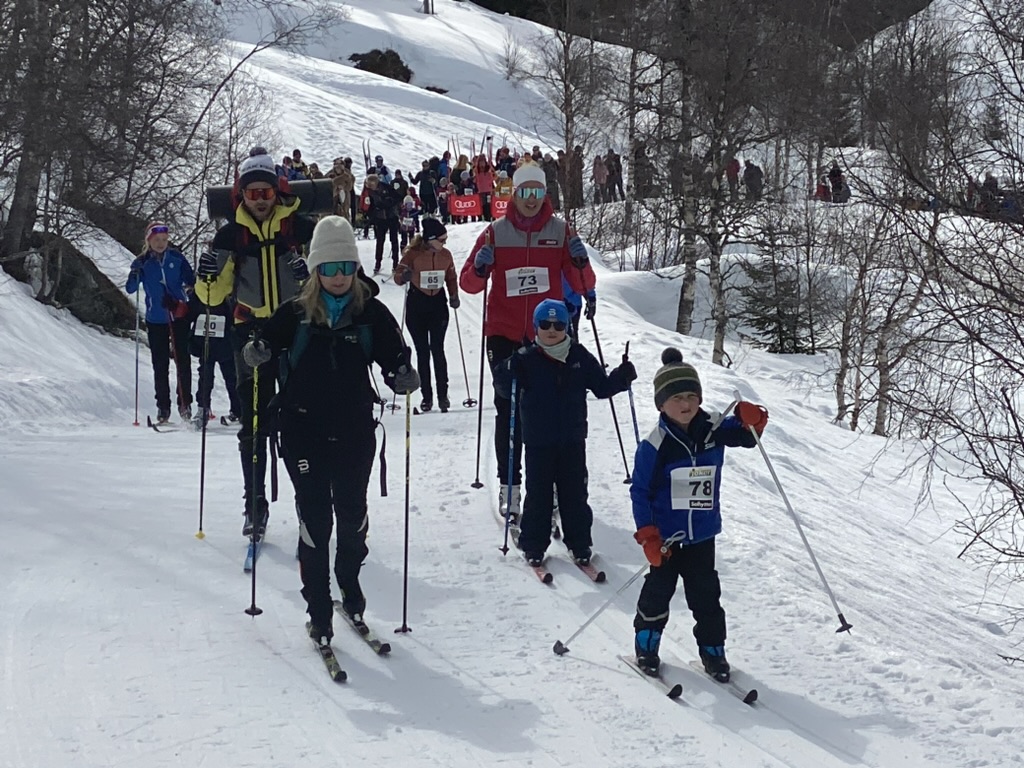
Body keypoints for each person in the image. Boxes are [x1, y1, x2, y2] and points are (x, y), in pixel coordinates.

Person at [241, 216, 419, 643]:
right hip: (303, 429)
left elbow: (396, 357)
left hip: (355, 428)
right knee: (316, 520)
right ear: (316, 269)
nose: (339, 277)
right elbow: (263, 344)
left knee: (353, 517)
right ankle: (319, 611)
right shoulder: (295, 313)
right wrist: (257, 351)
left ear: (355, 269)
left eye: (346, 268)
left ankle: (349, 588)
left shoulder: (371, 312)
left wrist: (402, 374)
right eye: (330, 268)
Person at [459, 163, 597, 519]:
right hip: (504, 334)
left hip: (548, 334)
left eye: (538, 192)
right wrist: (479, 267)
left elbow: (583, 284)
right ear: (515, 194)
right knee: (510, 410)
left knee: (551, 413)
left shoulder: (561, 231)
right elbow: (468, 284)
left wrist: (582, 262)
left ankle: (550, 489)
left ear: (544, 194)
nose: (532, 200)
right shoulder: (495, 233)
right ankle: (510, 487)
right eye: (526, 192)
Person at [195, 149, 315, 537]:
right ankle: (254, 503)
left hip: (297, 330)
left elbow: (330, 283)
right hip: (250, 332)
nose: (260, 200)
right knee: (254, 423)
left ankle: (308, 502)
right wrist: (207, 277)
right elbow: (213, 297)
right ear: (240, 196)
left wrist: (307, 275)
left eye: (266, 192)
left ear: (278, 191)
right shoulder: (230, 235)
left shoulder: (301, 228)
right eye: (252, 194)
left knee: (303, 421)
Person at [630, 348, 768, 682]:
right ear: (661, 404)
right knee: (658, 590)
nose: (686, 404)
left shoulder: (712, 428)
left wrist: (756, 418)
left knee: (706, 595)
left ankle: (713, 651)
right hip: (667, 537)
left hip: (703, 534)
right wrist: (648, 535)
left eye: (692, 396)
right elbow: (640, 492)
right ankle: (646, 644)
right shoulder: (656, 443)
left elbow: (746, 434)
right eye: (677, 397)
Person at [495, 299, 635, 566]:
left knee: (575, 493)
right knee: (539, 493)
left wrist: (622, 376)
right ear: (536, 327)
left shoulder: (579, 356)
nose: (551, 330)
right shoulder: (525, 358)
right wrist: (505, 371)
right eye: (545, 324)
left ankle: (580, 543)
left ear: (567, 326)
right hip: (538, 440)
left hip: (572, 438)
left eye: (558, 324)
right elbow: (503, 389)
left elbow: (602, 387)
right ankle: (534, 544)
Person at [126, 221, 195, 423]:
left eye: (164, 240)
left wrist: (183, 298)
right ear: (149, 241)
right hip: (156, 318)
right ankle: (163, 408)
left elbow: (191, 281)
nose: (161, 243)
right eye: (157, 240)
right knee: (160, 364)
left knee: (182, 361)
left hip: (178, 315)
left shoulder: (176, 258)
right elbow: (130, 288)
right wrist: (135, 272)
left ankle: (185, 404)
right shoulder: (143, 262)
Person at [394, 218, 459, 413]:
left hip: (438, 305)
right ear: (430, 239)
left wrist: (454, 295)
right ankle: (426, 397)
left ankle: (443, 396)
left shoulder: (446, 255)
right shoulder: (413, 254)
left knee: (438, 350)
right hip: (417, 306)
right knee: (423, 352)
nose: (444, 243)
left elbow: (451, 277)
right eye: (441, 239)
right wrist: (403, 276)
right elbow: (398, 274)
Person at [187, 290, 241, 425]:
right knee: (206, 377)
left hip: (224, 342)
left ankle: (238, 410)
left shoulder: (227, 290)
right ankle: (203, 409)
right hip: (207, 343)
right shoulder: (199, 292)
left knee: (231, 377)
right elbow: (189, 314)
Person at [365, 173, 401, 274]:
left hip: (391, 217)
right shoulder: (371, 192)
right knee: (380, 241)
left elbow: (398, 197)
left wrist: (387, 203)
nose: (370, 187)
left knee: (393, 240)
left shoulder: (387, 187)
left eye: (371, 184)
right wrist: (369, 215)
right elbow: (372, 205)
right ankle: (378, 263)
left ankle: (395, 263)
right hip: (380, 219)